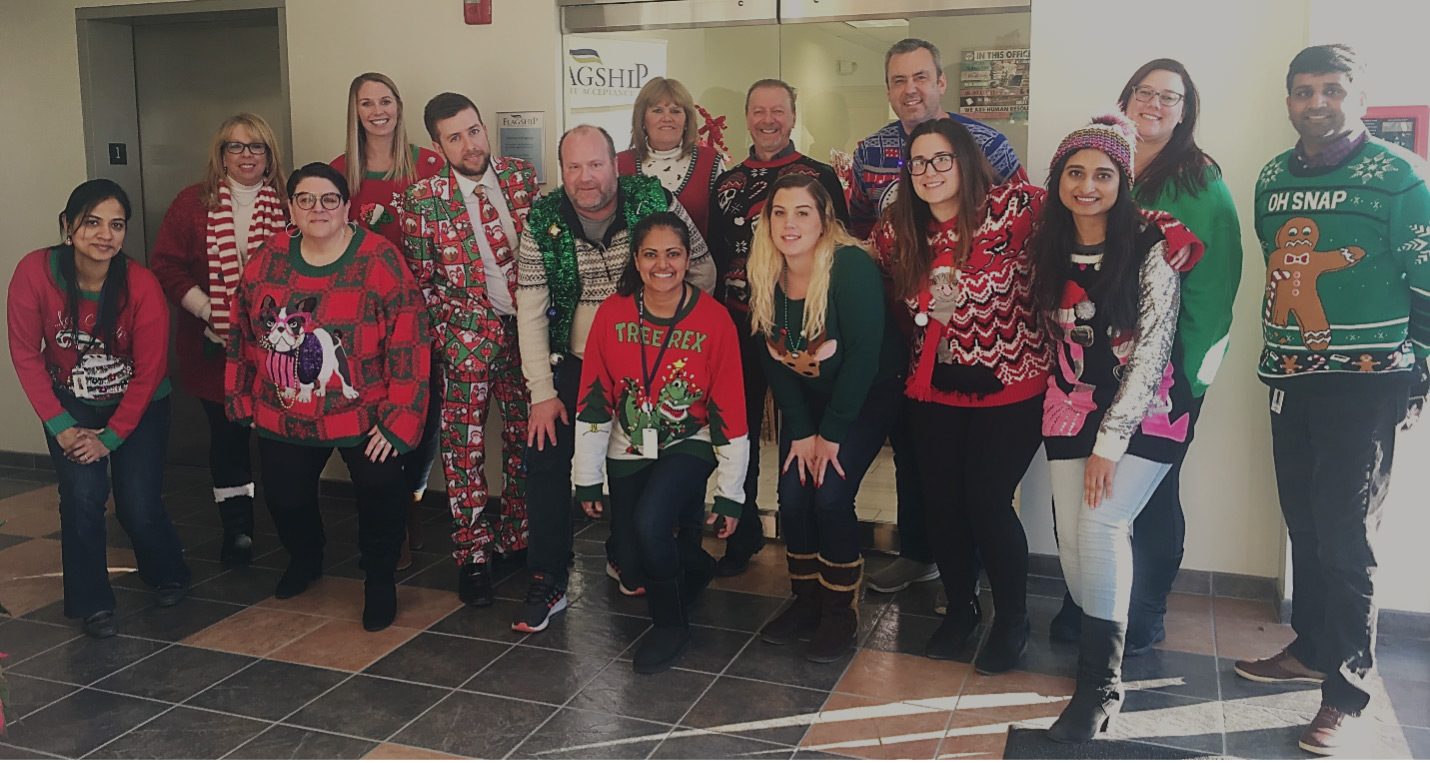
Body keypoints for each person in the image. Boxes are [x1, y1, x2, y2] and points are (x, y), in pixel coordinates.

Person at [1234, 44, 1430, 757]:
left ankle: (1345, 690)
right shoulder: (1272, 177)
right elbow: (1269, 255)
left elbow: (1428, 282)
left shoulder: (1402, 177)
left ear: (1359, 97)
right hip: (1290, 376)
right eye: (1303, 90)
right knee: (1305, 521)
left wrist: (1418, 377)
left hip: (1366, 383)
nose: (1317, 101)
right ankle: (1312, 645)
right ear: (1288, 100)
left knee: (1347, 535)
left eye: (1333, 89)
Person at [1050, 59, 1243, 655]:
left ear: (1186, 111)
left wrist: (1184, 373)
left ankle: (1147, 609)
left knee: (1151, 495)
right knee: (1091, 492)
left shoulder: (1198, 180)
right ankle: (1088, 602)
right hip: (1093, 370)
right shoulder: (1103, 161)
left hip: (1166, 374)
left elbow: (1216, 285)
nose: (1155, 104)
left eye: (1170, 97)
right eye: (1144, 92)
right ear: (1126, 99)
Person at [1026, 115, 1201, 743]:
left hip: (1147, 408)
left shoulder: (1152, 245)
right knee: (1073, 544)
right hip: (1070, 401)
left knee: (1101, 525)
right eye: (1075, 173)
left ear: (1121, 183)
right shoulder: (1044, 245)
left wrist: (1111, 443)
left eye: (1103, 174)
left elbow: (1153, 351)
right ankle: (1105, 646)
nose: (1088, 185)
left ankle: (1099, 686)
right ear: (1059, 180)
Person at [514, 124, 715, 633]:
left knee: (650, 453)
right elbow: (531, 311)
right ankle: (548, 576)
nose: (586, 178)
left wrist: (671, 338)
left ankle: (630, 555)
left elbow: (703, 270)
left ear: (616, 164)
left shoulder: (653, 199)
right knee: (543, 453)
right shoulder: (542, 218)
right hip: (573, 362)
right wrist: (541, 393)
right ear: (562, 172)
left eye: (596, 164)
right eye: (574, 167)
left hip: (648, 360)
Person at [871, 118, 1048, 673]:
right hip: (936, 388)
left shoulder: (1019, 208)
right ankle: (962, 609)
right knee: (942, 502)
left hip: (1012, 383)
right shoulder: (896, 230)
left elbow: (1096, 210)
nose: (929, 172)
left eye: (941, 159)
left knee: (986, 502)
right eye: (918, 162)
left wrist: (1163, 229)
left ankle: (1013, 619)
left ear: (967, 160)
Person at [851, 38, 1026, 599]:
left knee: (980, 492)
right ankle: (930, 567)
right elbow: (859, 239)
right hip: (913, 348)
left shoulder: (996, 163)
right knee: (926, 471)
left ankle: (991, 590)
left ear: (941, 81)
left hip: (999, 361)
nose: (911, 90)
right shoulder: (880, 170)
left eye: (921, 77)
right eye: (899, 80)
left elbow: (1052, 218)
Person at [225, 162, 430, 632]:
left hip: (366, 411)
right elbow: (242, 331)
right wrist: (241, 397)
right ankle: (306, 557)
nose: (318, 209)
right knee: (284, 498)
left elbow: (411, 340)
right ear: (290, 209)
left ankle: (379, 580)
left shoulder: (379, 258)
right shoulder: (267, 258)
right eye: (306, 200)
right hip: (286, 410)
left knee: (382, 495)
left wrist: (400, 419)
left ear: (347, 207)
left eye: (329, 200)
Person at [8, 179, 191, 639]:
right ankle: (93, 604)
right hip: (69, 402)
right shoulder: (34, 273)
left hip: (140, 404)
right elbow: (26, 354)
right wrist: (62, 428)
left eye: (116, 225)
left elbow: (149, 373)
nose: (104, 235)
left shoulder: (142, 286)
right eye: (92, 222)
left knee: (137, 504)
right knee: (82, 500)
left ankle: (168, 571)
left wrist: (110, 438)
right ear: (67, 226)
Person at [573, 212, 747, 673]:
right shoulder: (612, 313)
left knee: (652, 524)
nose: (662, 265)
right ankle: (695, 567)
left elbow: (729, 411)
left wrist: (731, 494)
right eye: (650, 254)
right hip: (628, 443)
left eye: (673, 254)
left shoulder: (716, 320)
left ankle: (671, 625)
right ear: (636, 259)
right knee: (630, 563)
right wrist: (586, 480)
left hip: (689, 439)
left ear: (688, 259)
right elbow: (593, 400)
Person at [748, 173, 905, 663]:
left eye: (802, 213)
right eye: (779, 212)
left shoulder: (849, 266)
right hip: (809, 397)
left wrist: (831, 434)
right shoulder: (764, 269)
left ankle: (840, 612)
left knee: (831, 494)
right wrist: (802, 427)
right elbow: (773, 356)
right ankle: (806, 601)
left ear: (824, 220)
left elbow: (861, 358)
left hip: (867, 393)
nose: (789, 224)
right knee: (793, 496)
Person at [401, 92, 540, 606]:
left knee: (529, 444)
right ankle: (473, 556)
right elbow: (422, 285)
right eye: (455, 137)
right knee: (465, 452)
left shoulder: (522, 178)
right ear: (438, 145)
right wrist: (454, 335)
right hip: (465, 343)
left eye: (474, 131)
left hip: (527, 337)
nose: (469, 144)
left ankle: (518, 538)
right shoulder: (422, 199)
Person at [707, 78, 849, 578]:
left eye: (778, 110)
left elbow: (841, 250)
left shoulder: (819, 176)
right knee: (739, 430)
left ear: (793, 116)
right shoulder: (725, 184)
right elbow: (715, 256)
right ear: (746, 116)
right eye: (758, 110)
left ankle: (806, 534)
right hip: (740, 327)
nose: (768, 119)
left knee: (801, 430)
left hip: (802, 326)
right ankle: (743, 531)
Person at [149, 113, 287, 569]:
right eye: (236, 146)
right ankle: (238, 530)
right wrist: (211, 312)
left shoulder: (290, 203)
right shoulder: (193, 203)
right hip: (214, 349)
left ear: (269, 154)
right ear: (221, 153)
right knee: (228, 439)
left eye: (256, 147)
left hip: (277, 351)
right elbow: (166, 265)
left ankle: (291, 527)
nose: (246, 156)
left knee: (277, 441)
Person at [331, 72, 445, 570]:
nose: (377, 110)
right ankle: (384, 519)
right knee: (365, 418)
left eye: (385, 100)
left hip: (427, 316)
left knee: (423, 414)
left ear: (399, 105)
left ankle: (410, 502)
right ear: (354, 112)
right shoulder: (338, 174)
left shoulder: (430, 165)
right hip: (360, 325)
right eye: (366, 103)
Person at [617, 77, 727, 240]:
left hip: (701, 264)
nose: (667, 118)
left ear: (687, 119)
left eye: (675, 111)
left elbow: (724, 228)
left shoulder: (711, 162)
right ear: (642, 119)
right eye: (657, 110)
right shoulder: (620, 164)